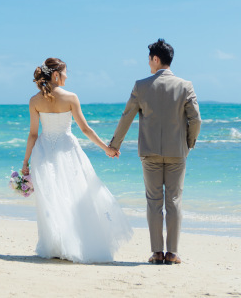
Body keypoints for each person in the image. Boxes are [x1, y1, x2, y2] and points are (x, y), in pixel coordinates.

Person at [21, 57, 133, 263]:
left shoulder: (34, 100)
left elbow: (33, 135)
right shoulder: (71, 97)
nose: (66, 76)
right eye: (65, 72)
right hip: (67, 151)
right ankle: (73, 244)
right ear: (56, 74)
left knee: (52, 199)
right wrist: (106, 149)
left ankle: (56, 245)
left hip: (44, 151)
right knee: (74, 196)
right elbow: (85, 129)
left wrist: (25, 162)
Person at [109, 39, 201, 265]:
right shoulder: (185, 85)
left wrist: (115, 145)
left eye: (149, 59)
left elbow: (127, 117)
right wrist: (188, 144)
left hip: (149, 152)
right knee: (174, 201)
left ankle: (157, 252)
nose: (148, 63)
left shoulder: (141, 86)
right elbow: (196, 120)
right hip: (177, 153)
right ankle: (172, 253)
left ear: (156, 59)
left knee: (153, 201)